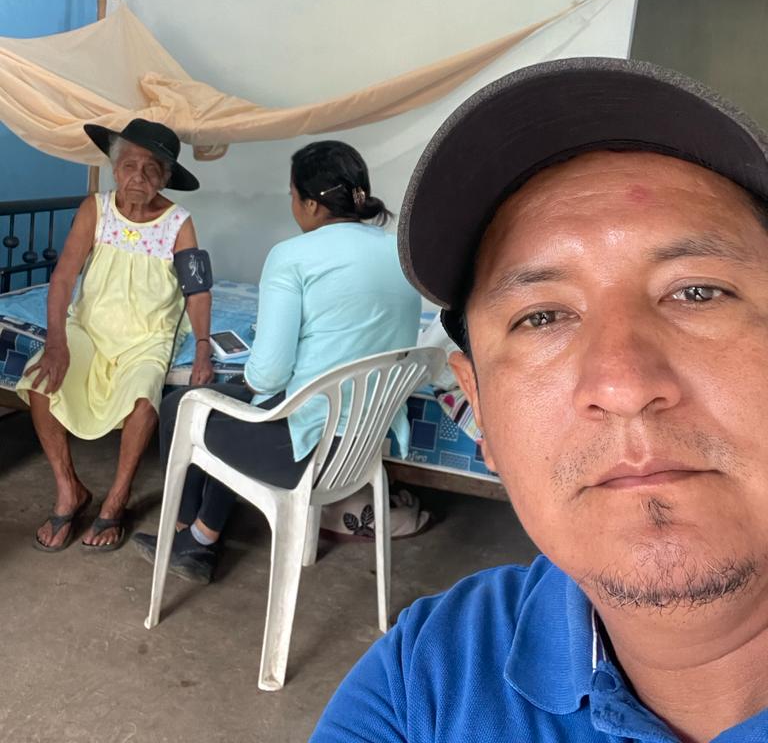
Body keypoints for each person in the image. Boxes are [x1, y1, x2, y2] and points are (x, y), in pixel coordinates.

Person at [310, 57, 768, 743]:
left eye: (697, 292)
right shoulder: (430, 676)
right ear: (480, 411)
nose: (623, 386)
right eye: (542, 316)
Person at [133, 140, 421, 583]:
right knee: (230, 404)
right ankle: (200, 536)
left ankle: (187, 534)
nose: (292, 205)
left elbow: (267, 374)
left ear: (311, 204)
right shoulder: (401, 254)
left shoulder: (293, 257)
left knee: (183, 405)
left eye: (292, 195)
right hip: (364, 442)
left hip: (306, 450)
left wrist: (256, 376)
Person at [17, 119, 212, 552]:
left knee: (144, 399)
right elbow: (64, 277)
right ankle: (69, 490)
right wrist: (56, 342)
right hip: (90, 329)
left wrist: (202, 346)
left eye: (151, 169)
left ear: (164, 178)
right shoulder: (96, 209)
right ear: (114, 168)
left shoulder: (179, 222)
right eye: (128, 166)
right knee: (38, 380)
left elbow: (197, 290)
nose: (137, 177)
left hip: (147, 337)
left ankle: (117, 499)